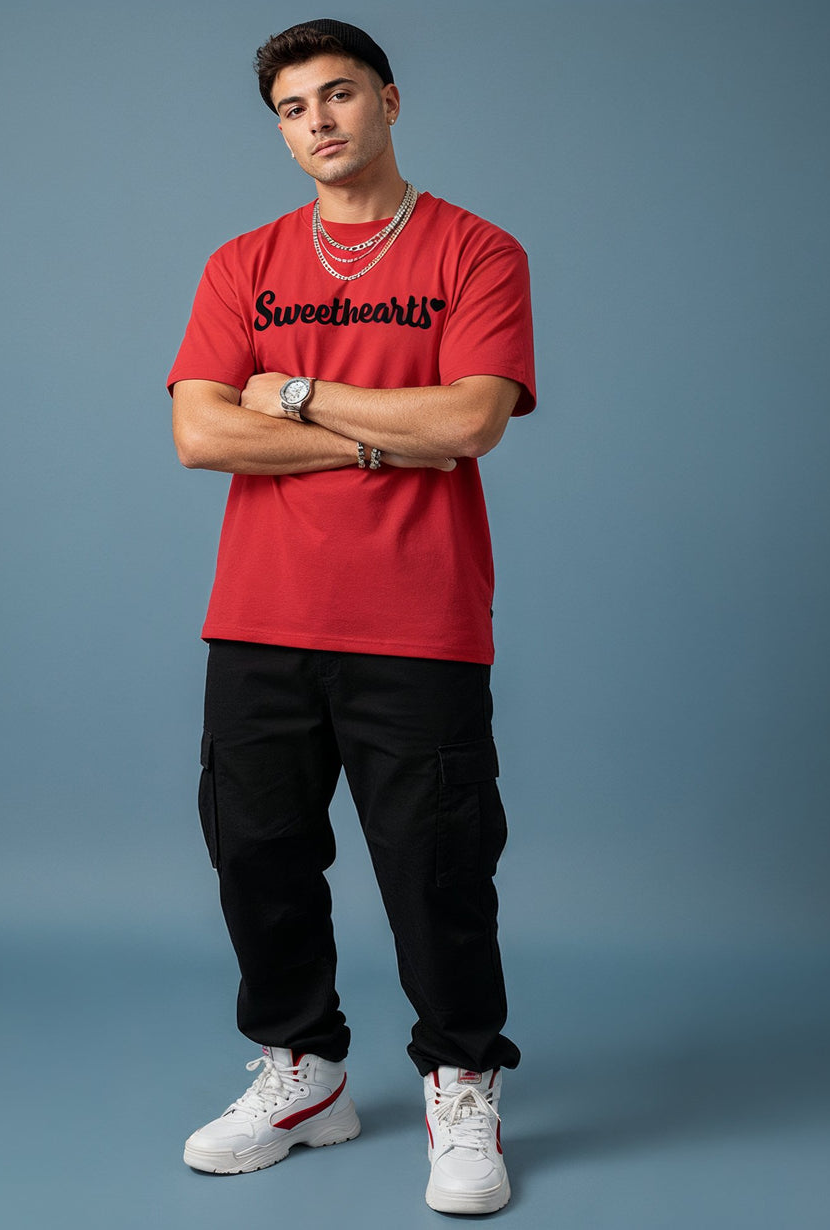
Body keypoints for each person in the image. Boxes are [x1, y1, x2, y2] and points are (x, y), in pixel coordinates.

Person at [167, 18, 535, 1216]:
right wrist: (388, 432)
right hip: (260, 616)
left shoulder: (476, 252)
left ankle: (463, 1083)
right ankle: (305, 1071)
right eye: (291, 108)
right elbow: (200, 433)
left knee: (437, 871)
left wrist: (307, 395)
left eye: (336, 95)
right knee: (258, 856)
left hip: (418, 620)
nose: (317, 121)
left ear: (387, 99)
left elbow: (472, 423)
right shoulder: (242, 263)